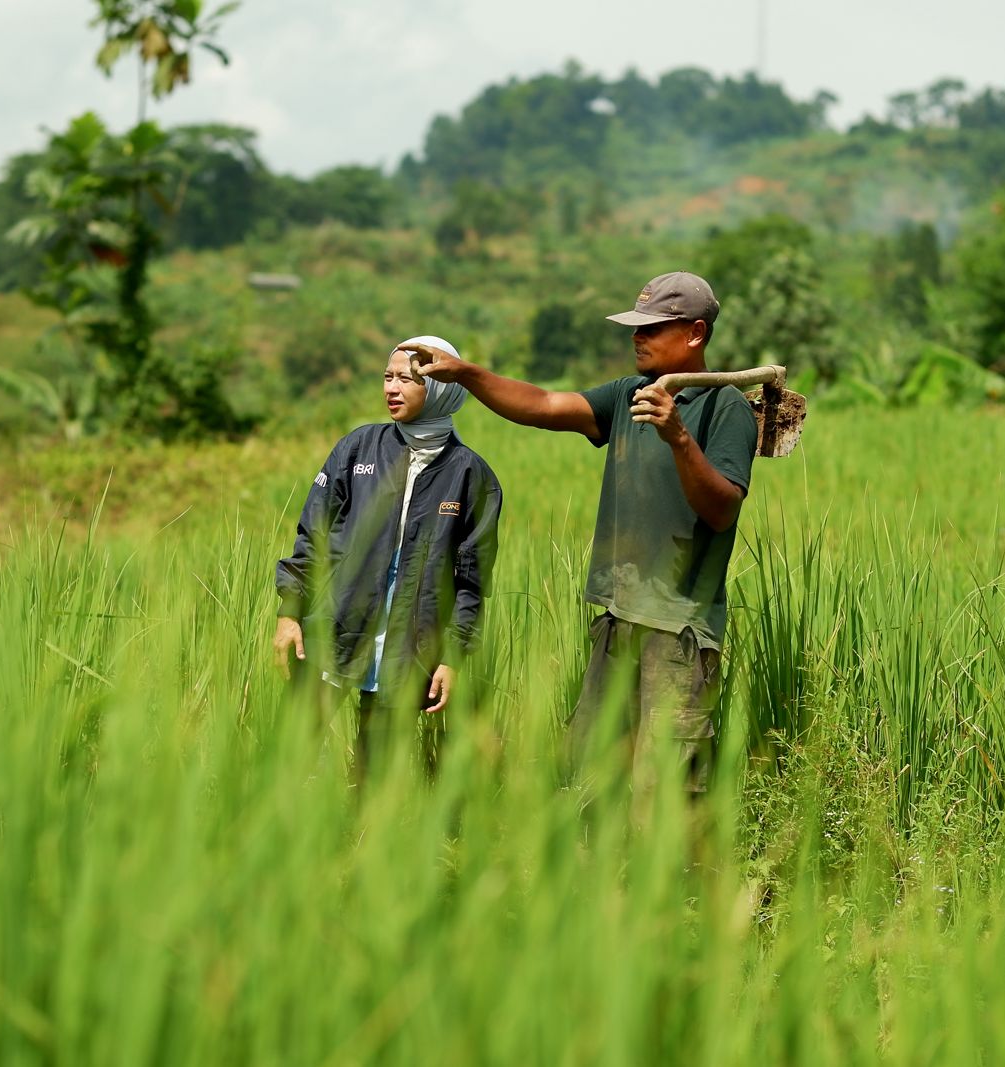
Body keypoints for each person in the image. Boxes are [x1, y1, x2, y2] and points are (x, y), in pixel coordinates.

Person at [404, 273, 758, 794]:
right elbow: (545, 406)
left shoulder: (725, 409)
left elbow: (722, 510)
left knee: (662, 795)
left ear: (695, 334)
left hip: (677, 630)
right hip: (617, 621)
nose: (638, 337)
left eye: (653, 328)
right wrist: (466, 374)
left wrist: (678, 437)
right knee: (594, 780)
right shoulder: (628, 395)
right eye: (635, 328)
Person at [273, 335, 503, 778]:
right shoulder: (358, 448)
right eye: (388, 376)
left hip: (406, 645)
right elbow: (312, 536)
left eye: (408, 379)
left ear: (440, 389)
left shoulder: (471, 475)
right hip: (331, 628)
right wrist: (289, 613)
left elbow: (472, 583)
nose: (392, 388)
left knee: (374, 772)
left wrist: (453, 656)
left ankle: (362, 845)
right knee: (290, 753)